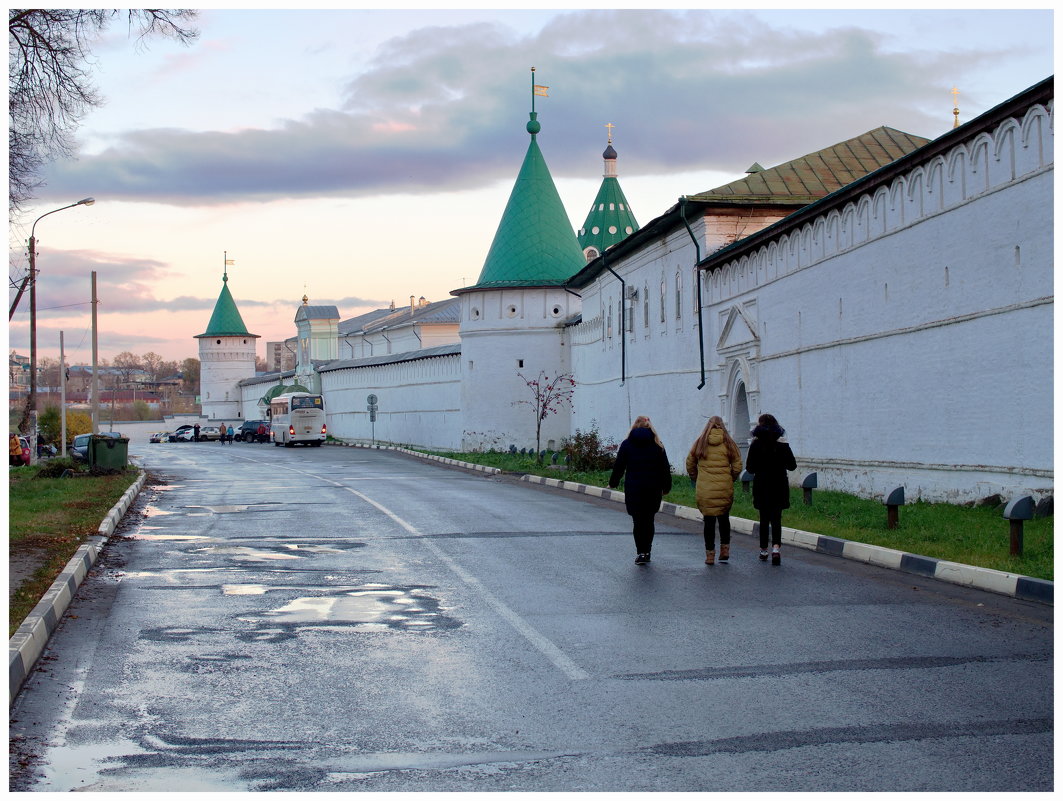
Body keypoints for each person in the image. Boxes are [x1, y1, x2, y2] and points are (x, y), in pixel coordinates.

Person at [608, 416, 673, 565]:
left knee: (638, 521)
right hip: (653, 489)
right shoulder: (658, 445)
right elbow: (665, 469)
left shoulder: (627, 444)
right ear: (650, 427)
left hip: (634, 488)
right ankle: (647, 551)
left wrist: (613, 483)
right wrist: (666, 487)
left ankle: (641, 552)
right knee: (649, 520)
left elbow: (619, 466)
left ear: (634, 427)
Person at [685, 416, 743, 565]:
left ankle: (710, 555)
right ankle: (725, 550)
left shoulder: (700, 443)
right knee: (724, 519)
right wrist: (731, 478)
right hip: (724, 486)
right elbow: (737, 465)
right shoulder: (729, 443)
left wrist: (696, 477)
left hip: (705, 488)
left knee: (709, 522)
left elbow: (690, 462)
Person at [745, 413, 797, 565]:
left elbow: (750, 468)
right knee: (776, 518)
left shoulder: (755, 445)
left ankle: (763, 550)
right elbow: (792, 466)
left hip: (762, 486)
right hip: (779, 486)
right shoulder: (783, 446)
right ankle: (776, 548)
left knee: (763, 518)